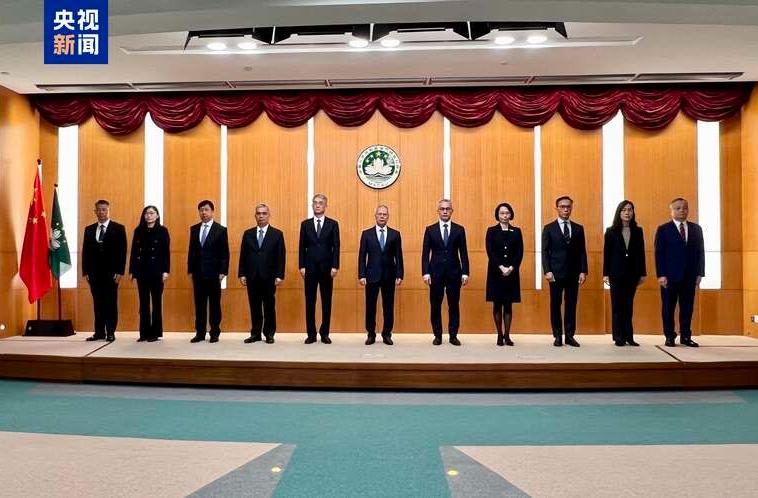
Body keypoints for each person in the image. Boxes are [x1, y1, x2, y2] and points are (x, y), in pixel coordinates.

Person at [654, 197, 705, 347]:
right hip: (669, 277)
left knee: (687, 307)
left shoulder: (696, 229)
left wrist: (700, 273)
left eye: (685, 208)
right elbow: (659, 254)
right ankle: (669, 336)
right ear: (671, 211)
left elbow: (700, 252)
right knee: (668, 308)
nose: (682, 210)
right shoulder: (663, 229)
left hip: (690, 276)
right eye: (678, 208)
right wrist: (661, 275)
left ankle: (686, 336)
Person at [422, 199, 470, 346]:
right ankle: (437, 335)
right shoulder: (430, 230)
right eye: (442, 209)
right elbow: (425, 253)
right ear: (438, 211)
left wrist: (465, 272)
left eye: (447, 209)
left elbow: (463, 253)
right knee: (435, 306)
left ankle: (453, 335)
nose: (445, 211)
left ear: (451, 211)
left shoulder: (459, 229)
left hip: (454, 273)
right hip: (435, 274)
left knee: (454, 305)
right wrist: (425, 272)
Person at [542, 196, 588, 347]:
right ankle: (557, 335)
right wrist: (547, 271)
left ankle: (569, 335)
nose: (566, 209)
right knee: (555, 304)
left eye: (568, 206)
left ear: (571, 208)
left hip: (573, 273)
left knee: (571, 304)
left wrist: (583, 271)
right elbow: (545, 252)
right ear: (557, 208)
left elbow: (582, 251)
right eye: (562, 206)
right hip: (555, 273)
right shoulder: (549, 228)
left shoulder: (578, 228)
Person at [239, 203, 285, 344]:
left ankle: (269, 333)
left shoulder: (277, 234)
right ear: (255, 216)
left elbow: (281, 256)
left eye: (264, 213)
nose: (261, 216)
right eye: (258, 213)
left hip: (269, 276)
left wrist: (279, 275)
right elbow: (243, 255)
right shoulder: (248, 234)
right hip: (252, 276)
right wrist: (242, 274)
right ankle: (256, 333)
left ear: (269, 215)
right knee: (254, 306)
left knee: (269, 306)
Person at [81, 199, 127, 342]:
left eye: (104, 209)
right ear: (95, 211)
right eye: (99, 210)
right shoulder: (89, 229)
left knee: (110, 303)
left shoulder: (118, 228)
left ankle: (111, 332)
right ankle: (99, 332)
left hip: (112, 274)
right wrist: (86, 271)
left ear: (108, 210)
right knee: (98, 304)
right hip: (94, 274)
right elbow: (85, 252)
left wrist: (120, 272)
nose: (101, 212)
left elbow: (122, 252)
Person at [358, 205, 404, 346]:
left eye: (385, 214)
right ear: (375, 216)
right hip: (371, 275)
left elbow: (399, 256)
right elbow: (362, 256)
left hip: (389, 275)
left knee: (388, 307)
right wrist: (361, 275)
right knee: (370, 306)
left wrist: (400, 274)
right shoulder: (366, 234)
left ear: (388, 216)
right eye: (380, 214)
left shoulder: (395, 234)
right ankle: (371, 334)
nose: (382, 216)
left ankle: (387, 334)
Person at [602, 200, 646, 347]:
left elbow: (641, 253)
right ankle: (618, 336)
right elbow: (607, 254)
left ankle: (629, 336)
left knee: (628, 306)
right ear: (619, 212)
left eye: (630, 209)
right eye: (624, 210)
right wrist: (605, 274)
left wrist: (642, 273)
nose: (627, 212)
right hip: (616, 273)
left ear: (633, 212)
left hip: (632, 274)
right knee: (617, 305)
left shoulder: (638, 231)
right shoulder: (611, 231)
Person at [299, 193, 340, 344]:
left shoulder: (333, 224)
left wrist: (335, 266)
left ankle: (324, 333)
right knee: (310, 301)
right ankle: (311, 334)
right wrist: (301, 266)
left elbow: (336, 246)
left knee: (326, 301)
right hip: (309, 268)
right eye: (315, 202)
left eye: (321, 203)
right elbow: (301, 247)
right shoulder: (305, 224)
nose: (317, 205)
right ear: (312, 205)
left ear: (325, 206)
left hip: (327, 269)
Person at [187, 200, 229, 343]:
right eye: (201, 210)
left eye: (206, 210)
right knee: (199, 304)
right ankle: (200, 333)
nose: (203, 212)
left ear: (212, 211)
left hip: (214, 273)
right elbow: (191, 251)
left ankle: (214, 332)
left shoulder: (221, 230)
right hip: (198, 273)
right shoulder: (194, 229)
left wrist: (223, 271)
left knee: (214, 304)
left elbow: (225, 253)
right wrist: (190, 270)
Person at [129, 205, 170, 342]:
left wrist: (166, 271)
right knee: (143, 303)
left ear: (157, 215)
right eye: (146, 213)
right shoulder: (138, 231)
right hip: (142, 271)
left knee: (156, 303)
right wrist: (132, 271)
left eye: (152, 213)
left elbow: (166, 253)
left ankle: (155, 333)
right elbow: (134, 252)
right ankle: (144, 333)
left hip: (157, 271)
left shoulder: (163, 231)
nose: (149, 216)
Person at [485, 203, 523, 346]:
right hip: (496, 272)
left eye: (507, 213)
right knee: (497, 304)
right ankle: (499, 335)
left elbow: (519, 252)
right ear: (497, 215)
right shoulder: (491, 231)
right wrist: (501, 267)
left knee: (508, 305)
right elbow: (490, 251)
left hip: (512, 273)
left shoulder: (516, 231)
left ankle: (507, 335)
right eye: (502, 213)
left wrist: (511, 267)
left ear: (511, 214)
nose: (505, 215)